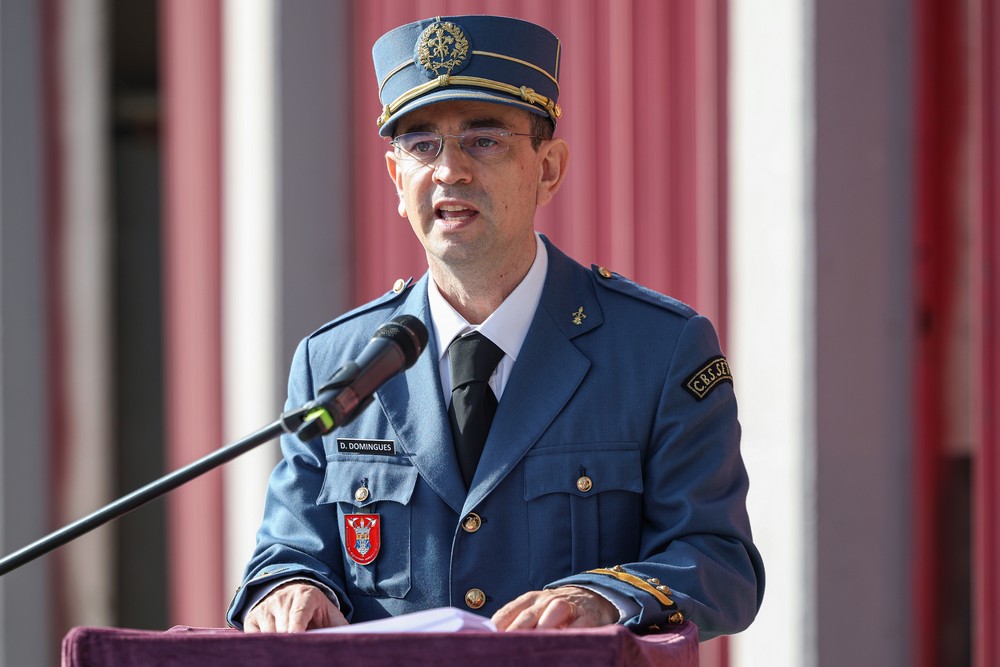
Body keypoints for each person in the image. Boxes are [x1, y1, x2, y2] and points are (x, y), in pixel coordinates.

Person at [226, 14, 764, 639]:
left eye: (484, 140)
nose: (449, 170)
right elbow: (287, 550)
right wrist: (290, 587)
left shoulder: (659, 350)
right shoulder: (337, 362)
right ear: (397, 180)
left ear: (549, 168)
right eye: (421, 144)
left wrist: (601, 600)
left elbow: (720, 562)